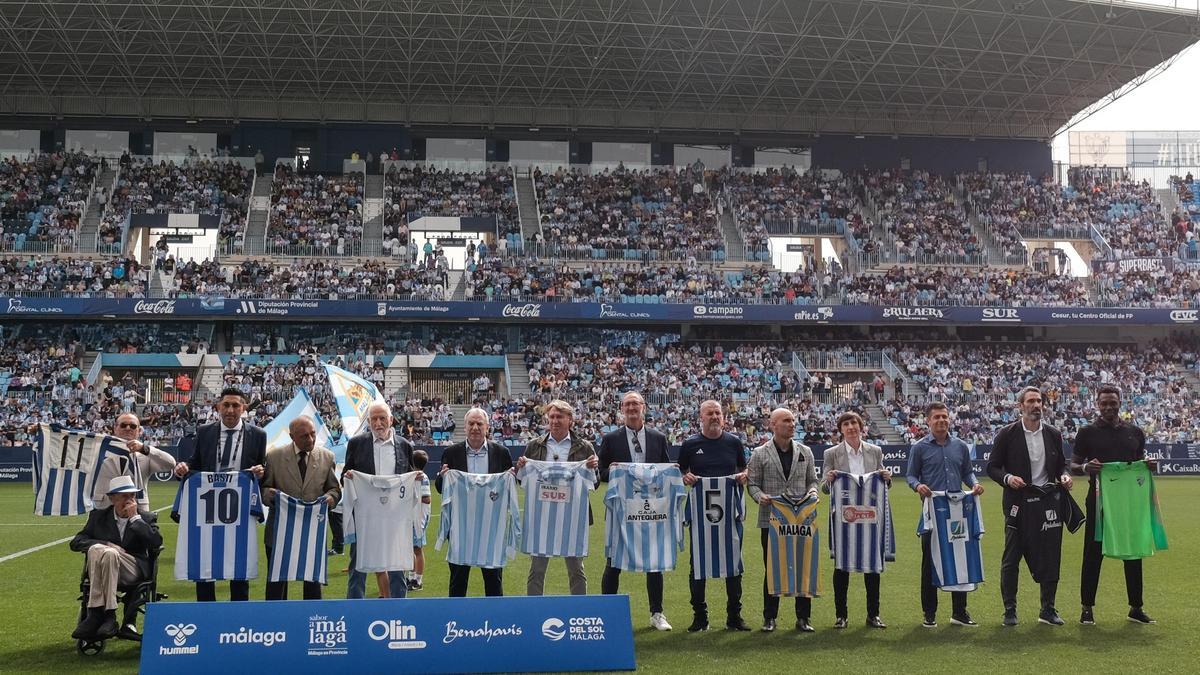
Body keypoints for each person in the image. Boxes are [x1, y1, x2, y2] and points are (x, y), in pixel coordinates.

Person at [1070, 384, 1156, 625]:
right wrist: (1086, 467)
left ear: (1120, 403)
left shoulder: (1135, 432)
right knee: (1093, 552)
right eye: (1104, 403)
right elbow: (1073, 466)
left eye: (1113, 402)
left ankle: (1135, 607)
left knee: (1133, 549)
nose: (1109, 407)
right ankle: (1086, 608)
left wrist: (1148, 465)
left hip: (1129, 501)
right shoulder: (1087, 432)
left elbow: (1138, 463)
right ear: (1097, 404)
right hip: (1098, 500)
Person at [987, 386, 1073, 626]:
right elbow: (992, 467)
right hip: (1018, 503)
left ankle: (1048, 609)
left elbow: (1061, 466)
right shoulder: (1007, 434)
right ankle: (1010, 610)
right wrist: (1008, 479)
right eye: (1031, 401)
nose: (1037, 405)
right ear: (1021, 406)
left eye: (1039, 401)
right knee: (1011, 558)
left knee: (1050, 556)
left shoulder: (1053, 434)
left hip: (1047, 503)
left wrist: (1064, 476)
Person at [172, 387, 266, 602]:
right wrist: (183, 468)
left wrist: (261, 472)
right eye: (226, 405)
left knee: (239, 556)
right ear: (218, 407)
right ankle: (206, 611)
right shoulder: (205, 431)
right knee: (205, 555)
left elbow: (262, 467)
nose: (230, 410)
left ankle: (237, 614)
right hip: (207, 504)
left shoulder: (258, 435)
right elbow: (194, 464)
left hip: (239, 507)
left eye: (235, 405)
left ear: (244, 408)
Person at [598, 392, 673, 631]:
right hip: (622, 509)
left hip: (650, 508)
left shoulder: (658, 437)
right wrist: (617, 471)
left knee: (654, 560)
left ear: (644, 408)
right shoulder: (611, 439)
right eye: (627, 404)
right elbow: (601, 473)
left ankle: (657, 613)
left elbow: (665, 469)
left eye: (636, 403)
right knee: (614, 561)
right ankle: (607, 612)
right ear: (622, 408)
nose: (632, 407)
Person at [905, 401, 984, 628]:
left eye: (945, 417)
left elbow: (968, 473)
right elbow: (910, 476)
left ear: (950, 419)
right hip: (933, 514)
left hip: (959, 513)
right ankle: (929, 613)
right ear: (928, 421)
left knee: (961, 558)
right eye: (937, 417)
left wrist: (975, 484)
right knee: (929, 563)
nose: (941, 420)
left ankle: (959, 612)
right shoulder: (919, 448)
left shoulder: (960, 446)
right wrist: (918, 486)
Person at [678, 399, 750, 632]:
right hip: (701, 515)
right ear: (701, 417)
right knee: (697, 563)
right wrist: (685, 477)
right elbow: (680, 471)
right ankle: (700, 616)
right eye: (709, 413)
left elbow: (743, 468)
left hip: (729, 513)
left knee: (733, 562)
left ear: (724, 417)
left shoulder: (733, 442)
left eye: (718, 413)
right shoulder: (690, 444)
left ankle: (734, 616)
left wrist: (743, 476)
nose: (714, 417)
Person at [747, 408, 819, 632]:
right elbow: (752, 484)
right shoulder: (759, 453)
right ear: (773, 424)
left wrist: (813, 494)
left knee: (802, 566)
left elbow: (813, 481)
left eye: (793, 420)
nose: (791, 424)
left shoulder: (805, 451)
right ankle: (770, 617)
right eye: (786, 420)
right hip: (772, 520)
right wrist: (760, 497)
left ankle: (803, 618)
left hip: (801, 520)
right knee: (772, 569)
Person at [518, 399, 599, 596]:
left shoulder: (584, 447)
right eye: (551, 416)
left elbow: (594, 483)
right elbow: (523, 482)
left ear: (570, 419)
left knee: (576, 570)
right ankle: (534, 609)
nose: (554, 421)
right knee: (536, 570)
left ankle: (578, 611)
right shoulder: (534, 446)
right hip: (542, 517)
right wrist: (521, 467)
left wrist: (592, 470)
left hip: (572, 517)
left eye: (559, 417)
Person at [70, 476, 162, 642]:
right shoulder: (98, 517)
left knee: (101, 551)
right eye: (124, 496)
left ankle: (97, 614)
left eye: (132, 496)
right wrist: (107, 544)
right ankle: (108, 615)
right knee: (105, 551)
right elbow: (76, 542)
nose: (129, 500)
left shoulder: (146, 518)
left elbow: (155, 542)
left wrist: (135, 519)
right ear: (112, 499)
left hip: (132, 568)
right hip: (106, 566)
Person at [822, 411, 891, 629]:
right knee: (841, 566)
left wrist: (887, 479)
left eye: (854, 423)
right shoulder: (831, 453)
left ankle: (874, 614)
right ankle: (841, 615)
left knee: (872, 565)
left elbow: (883, 485)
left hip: (870, 514)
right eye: (846, 424)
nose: (851, 427)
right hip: (844, 517)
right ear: (840, 429)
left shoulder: (875, 451)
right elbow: (824, 487)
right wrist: (830, 479)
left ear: (862, 427)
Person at [435, 407, 514, 596]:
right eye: (471, 423)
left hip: (491, 529)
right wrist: (442, 477)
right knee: (458, 581)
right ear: (465, 426)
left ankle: (495, 620)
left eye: (480, 424)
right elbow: (440, 488)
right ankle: (455, 621)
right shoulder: (452, 452)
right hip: (461, 528)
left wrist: (512, 477)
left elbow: (509, 488)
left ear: (487, 427)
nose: (475, 427)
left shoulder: (501, 452)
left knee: (493, 581)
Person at [262, 416, 341, 600]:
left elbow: (334, 488)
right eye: (304, 436)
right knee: (276, 585)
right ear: (292, 436)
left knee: (313, 584)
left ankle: (311, 621)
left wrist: (331, 498)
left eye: (313, 434)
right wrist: (270, 495)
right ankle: (276, 624)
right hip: (279, 532)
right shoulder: (274, 457)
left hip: (312, 532)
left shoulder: (327, 457)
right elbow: (264, 489)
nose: (311, 439)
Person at [342, 401, 414, 599]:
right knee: (358, 564)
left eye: (382, 418)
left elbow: (409, 477)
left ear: (391, 420)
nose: (378, 423)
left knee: (397, 563)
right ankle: (355, 608)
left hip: (395, 517)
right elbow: (344, 475)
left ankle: (399, 607)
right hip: (365, 516)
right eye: (374, 419)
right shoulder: (356, 444)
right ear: (368, 421)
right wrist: (348, 477)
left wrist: (416, 479)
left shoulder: (404, 445)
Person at [93, 412, 176, 510]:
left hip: (137, 509)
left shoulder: (146, 454)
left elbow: (170, 464)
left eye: (132, 426)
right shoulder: (99, 451)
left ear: (139, 430)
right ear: (115, 428)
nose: (128, 428)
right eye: (123, 425)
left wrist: (144, 449)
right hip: (104, 508)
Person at [408, 449, 431, 592]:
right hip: (411, 518)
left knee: (417, 549)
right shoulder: (413, 476)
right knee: (409, 548)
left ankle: (418, 580)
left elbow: (427, 498)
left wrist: (411, 497)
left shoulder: (422, 477)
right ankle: (411, 576)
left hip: (419, 519)